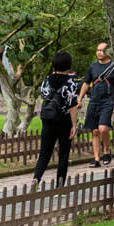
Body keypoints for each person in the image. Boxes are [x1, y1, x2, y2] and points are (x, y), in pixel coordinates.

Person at [31, 52, 81, 187]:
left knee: (44, 153)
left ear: (53, 65)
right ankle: (59, 186)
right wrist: (74, 125)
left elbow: (44, 96)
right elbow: (72, 106)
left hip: (48, 119)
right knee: (63, 154)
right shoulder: (71, 83)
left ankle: (36, 178)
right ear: (69, 66)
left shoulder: (46, 80)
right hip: (64, 121)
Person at [80, 41, 114, 168]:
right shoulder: (92, 67)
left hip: (108, 100)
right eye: (98, 50)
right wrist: (79, 98)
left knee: (103, 128)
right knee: (95, 131)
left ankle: (106, 151)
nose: (99, 52)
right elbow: (86, 83)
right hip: (93, 101)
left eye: (102, 50)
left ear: (108, 52)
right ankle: (96, 159)